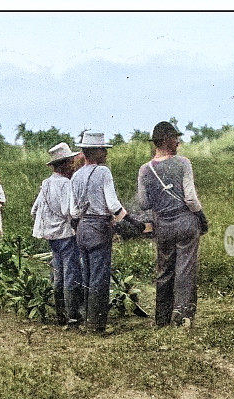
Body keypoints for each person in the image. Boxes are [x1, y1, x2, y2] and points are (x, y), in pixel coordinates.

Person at [70, 132, 147, 334]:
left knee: (86, 275)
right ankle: (97, 325)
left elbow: (73, 212)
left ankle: (87, 320)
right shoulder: (103, 172)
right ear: (95, 152)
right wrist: (135, 223)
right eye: (103, 149)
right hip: (98, 228)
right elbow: (113, 205)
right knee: (99, 277)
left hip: (82, 228)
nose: (106, 153)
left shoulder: (76, 176)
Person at [137, 121, 208, 328]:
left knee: (164, 269)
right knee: (185, 268)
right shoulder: (183, 163)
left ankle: (161, 317)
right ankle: (183, 314)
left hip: (163, 226)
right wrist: (202, 218)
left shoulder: (145, 169)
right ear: (167, 140)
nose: (178, 142)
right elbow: (191, 199)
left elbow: (143, 203)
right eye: (175, 138)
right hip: (186, 221)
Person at [31, 142, 83, 327]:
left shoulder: (45, 184)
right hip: (65, 235)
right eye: (70, 162)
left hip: (50, 236)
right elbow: (67, 211)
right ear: (64, 164)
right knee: (70, 275)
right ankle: (72, 317)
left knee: (58, 274)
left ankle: (60, 315)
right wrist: (81, 210)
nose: (72, 165)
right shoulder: (65, 184)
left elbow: (34, 209)